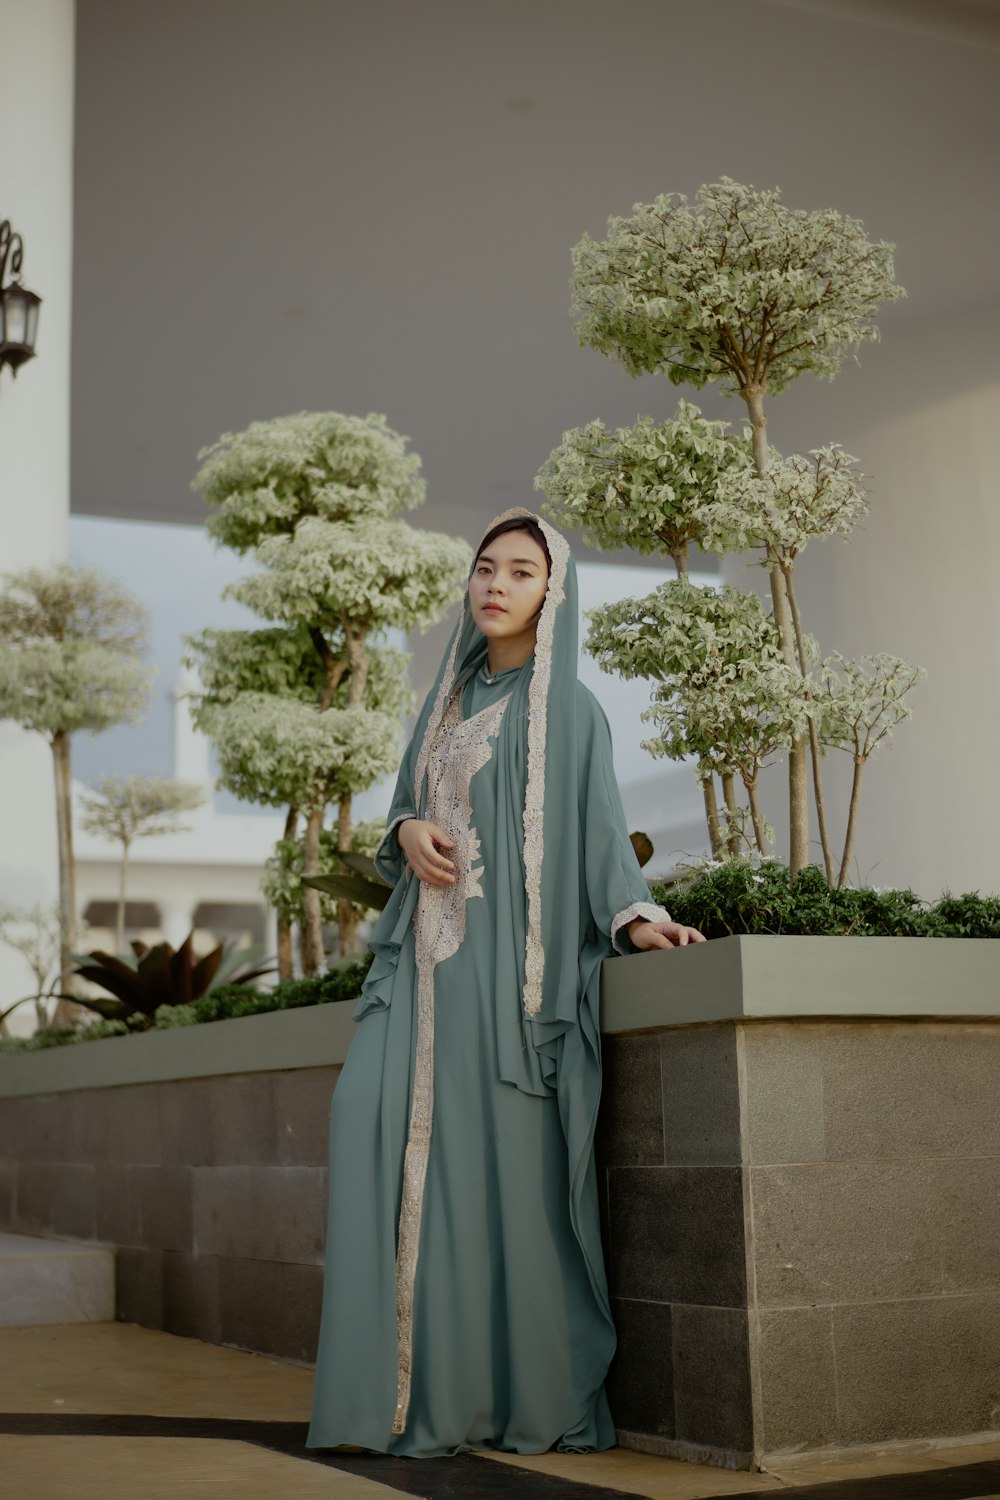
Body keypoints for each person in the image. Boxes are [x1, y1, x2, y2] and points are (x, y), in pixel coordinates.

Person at [305, 506, 705, 1459]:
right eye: (487, 567)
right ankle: (393, 1394)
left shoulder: (568, 709)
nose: (496, 584)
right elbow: (407, 802)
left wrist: (636, 916)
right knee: (365, 1116)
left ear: (551, 592)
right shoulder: (448, 697)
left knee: (491, 1178)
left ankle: (475, 1399)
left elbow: (600, 833)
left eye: (521, 572)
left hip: (501, 983)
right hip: (421, 966)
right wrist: (405, 830)